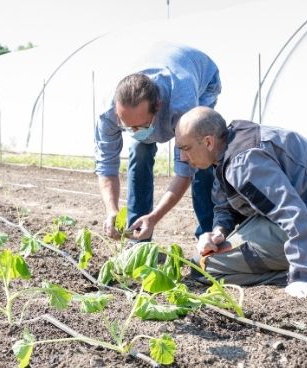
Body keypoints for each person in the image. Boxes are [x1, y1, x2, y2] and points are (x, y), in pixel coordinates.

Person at [175, 106, 307, 299]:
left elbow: (292, 212)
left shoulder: (243, 162)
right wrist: (219, 232)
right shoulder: (230, 147)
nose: (183, 158)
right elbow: (224, 205)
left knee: (203, 267)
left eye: (186, 149)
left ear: (208, 142)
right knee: (205, 258)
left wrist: (301, 275)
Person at [94, 42, 221, 242]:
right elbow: (106, 165)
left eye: (141, 126)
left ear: (158, 107)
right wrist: (112, 211)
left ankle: (209, 238)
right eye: (128, 126)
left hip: (203, 77)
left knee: (201, 159)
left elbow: (184, 173)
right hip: (164, 66)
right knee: (139, 149)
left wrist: (154, 218)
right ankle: (138, 237)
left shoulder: (182, 107)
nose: (134, 132)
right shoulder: (109, 113)